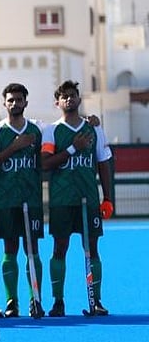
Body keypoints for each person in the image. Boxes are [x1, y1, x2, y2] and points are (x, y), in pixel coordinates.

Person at [40, 80, 115, 316]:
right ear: (57, 103)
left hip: (88, 198)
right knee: (59, 248)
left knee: (92, 248)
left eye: (72, 95)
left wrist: (107, 198)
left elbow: (103, 163)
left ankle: (96, 300)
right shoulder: (52, 131)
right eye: (64, 96)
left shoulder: (94, 129)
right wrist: (73, 148)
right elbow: (45, 164)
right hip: (61, 200)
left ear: (79, 99)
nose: (69, 99)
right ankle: (58, 302)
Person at [0, 83, 45, 318]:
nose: (15, 103)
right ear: (4, 103)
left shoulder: (38, 130)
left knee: (32, 249)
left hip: (32, 200)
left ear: (25, 102)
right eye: (11, 100)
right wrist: (14, 147)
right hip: (7, 201)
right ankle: (11, 301)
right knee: (10, 249)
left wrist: (91, 122)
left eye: (19, 99)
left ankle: (35, 299)